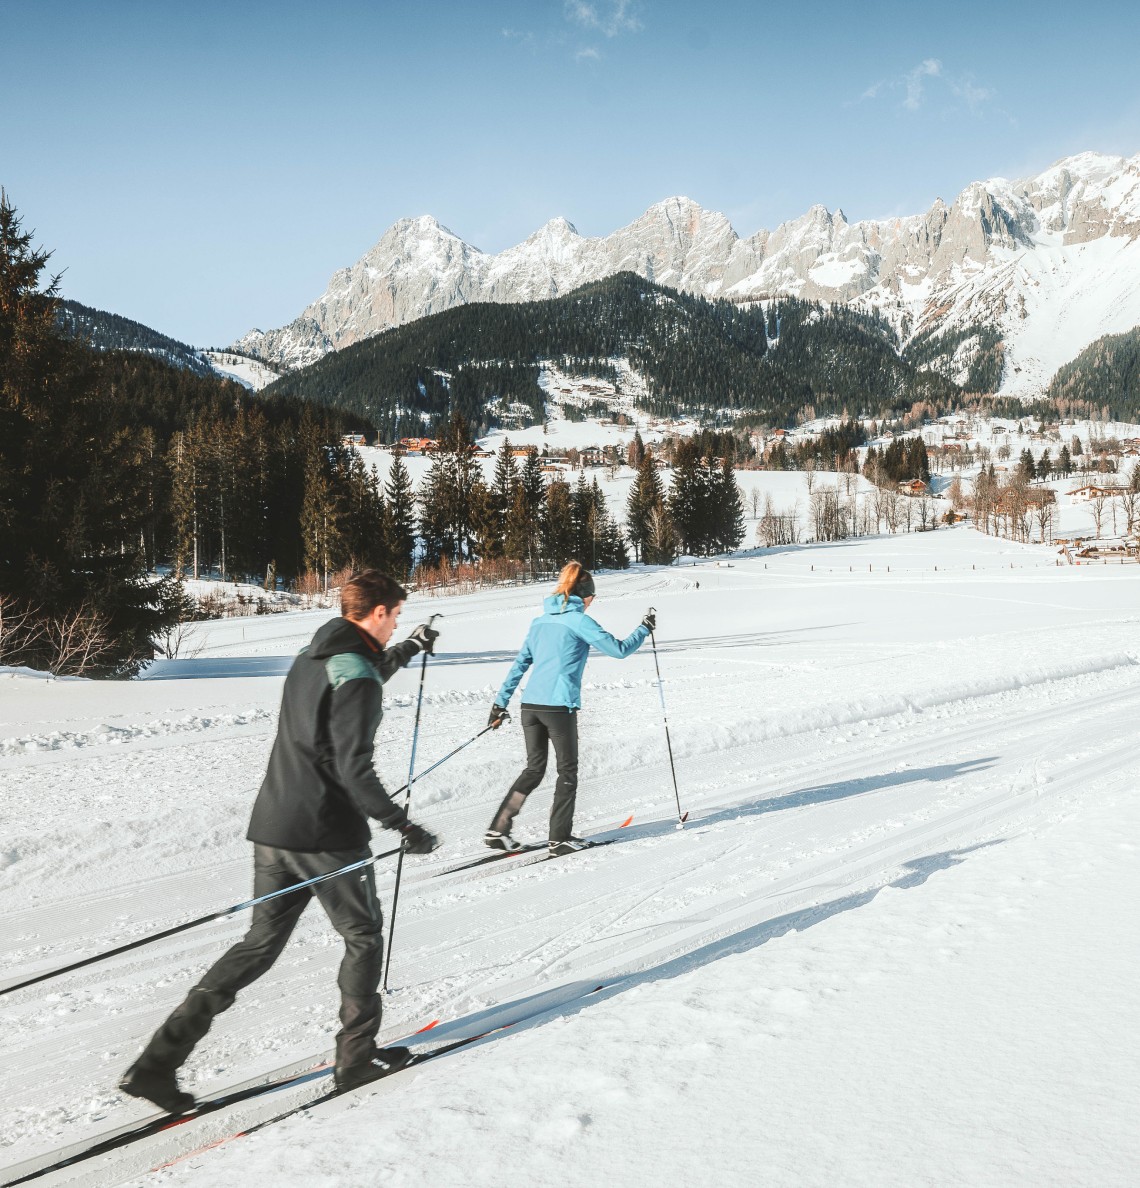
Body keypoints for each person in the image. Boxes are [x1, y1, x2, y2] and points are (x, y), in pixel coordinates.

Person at [119, 571, 440, 1112]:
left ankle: (155, 1066)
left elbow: (359, 679)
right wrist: (401, 824)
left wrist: (407, 649)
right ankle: (355, 1059)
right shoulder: (356, 674)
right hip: (327, 834)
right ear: (379, 612)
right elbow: (354, 766)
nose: (396, 625)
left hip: (273, 826)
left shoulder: (314, 654)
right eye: (397, 617)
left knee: (259, 945)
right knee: (362, 936)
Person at [484, 561, 654, 856]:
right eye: (592, 597)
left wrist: (499, 704)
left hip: (530, 707)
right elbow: (619, 650)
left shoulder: (539, 622)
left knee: (534, 769)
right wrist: (644, 629)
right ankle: (559, 838)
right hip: (558, 708)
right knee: (567, 772)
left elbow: (520, 665)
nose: (591, 603)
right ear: (585, 596)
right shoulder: (579, 621)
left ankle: (499, 829)